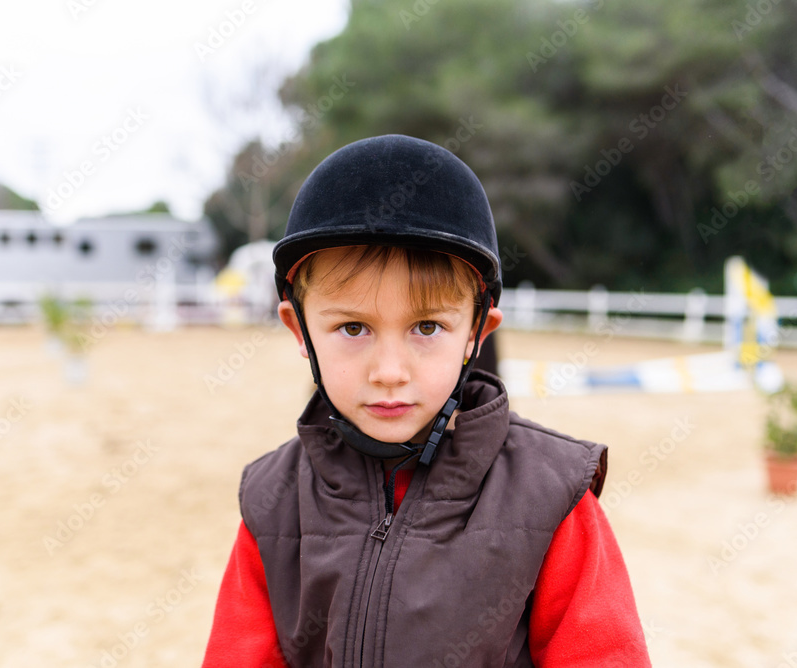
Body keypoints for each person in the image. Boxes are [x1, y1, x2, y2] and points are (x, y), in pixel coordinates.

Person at [202, 134, 650, 667]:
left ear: (476, 333)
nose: (390, 373)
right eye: (352, 327)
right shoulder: (271, 504)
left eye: (427, 326)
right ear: (299, 330)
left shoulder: (551, 496)